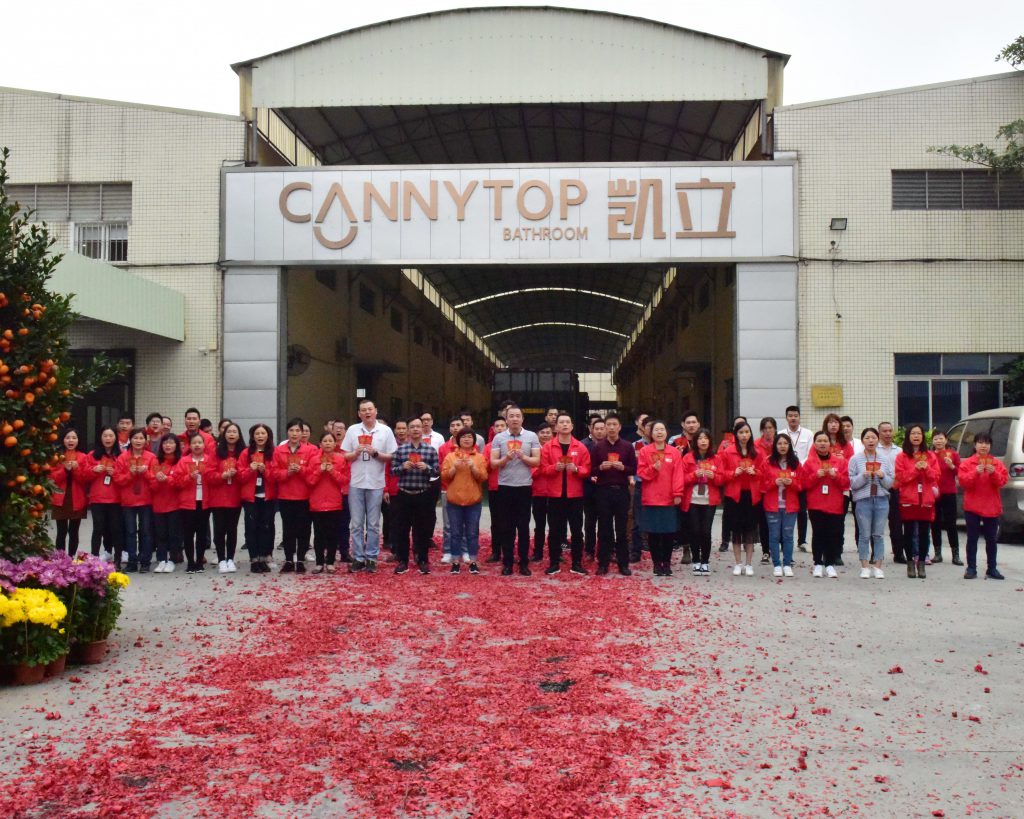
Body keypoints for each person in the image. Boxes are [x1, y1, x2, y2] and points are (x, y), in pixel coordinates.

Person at [341, 399, 398, 573]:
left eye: (370, 409)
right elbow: (344, 456)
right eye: (363, 410)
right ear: (359, 414)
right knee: (356, 523)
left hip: (376, 482)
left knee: (373, 523)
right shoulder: (352, 430)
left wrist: (375, 453)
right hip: (356, 482)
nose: (367, 412)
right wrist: (355, 452)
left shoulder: (385, 431)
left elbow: (392, 456)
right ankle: (358, 557)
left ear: (375, 411)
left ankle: (372, 557)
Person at [490, 405, 541, 576]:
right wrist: (506, 458)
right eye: (511, 416)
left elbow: (536, 461)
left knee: (523, 527)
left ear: (522, 419)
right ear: (506, 419)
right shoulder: (499, 438)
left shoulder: (531, 436)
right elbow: (493, 464)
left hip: (524, 487)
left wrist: (523, 456)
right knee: (507, 527)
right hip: (505, 487)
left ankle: (524, 562)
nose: (514, 419)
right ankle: (507, 563)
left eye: (517, 416)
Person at [540, 413, 592, 575]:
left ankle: (576, 563)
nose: (564, 425)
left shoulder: (580, 447)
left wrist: (576, 469)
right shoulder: (549, 447)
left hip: (575, 496)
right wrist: (554, 468)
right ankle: (554, 563)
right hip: (555, 495)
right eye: (561, 422)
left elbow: (587, 470)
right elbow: (543, 469)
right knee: (554, 530)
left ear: (572, 426)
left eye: (567, 422)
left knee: (577, 531)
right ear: (556, 427)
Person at [390, 417, 440, 575]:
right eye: (412, 427)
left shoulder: (430, 450)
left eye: (418, 426)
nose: (416, 429)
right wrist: (402, 467)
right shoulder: (401, 450)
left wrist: (427, 468)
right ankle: (403, 560)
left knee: (422, 529)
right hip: (404, 494)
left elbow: (437, 472)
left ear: (422, 429)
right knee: (402, 529)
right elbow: (393, 471)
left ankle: (423, 559)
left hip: (423, 493)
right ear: (408, 430)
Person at [957, 432, 1009, 580]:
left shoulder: (996, 464)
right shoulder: (968, 463)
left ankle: (992, 568)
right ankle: (971, 568)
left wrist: (994, 473)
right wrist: (975, 472)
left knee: (991, 539)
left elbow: (1002, 481)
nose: (983, 446)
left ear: (990, 446)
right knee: (972, 538)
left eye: (986, 443)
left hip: (991, 506)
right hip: (972, 507)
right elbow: (963, 482)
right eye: (980, 442)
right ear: (975, 445)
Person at [636, 420, 684, 576]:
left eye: (662, 429)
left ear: (666, 432)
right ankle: (657, 564)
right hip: (651, 498)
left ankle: (667, 563)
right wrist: (653, 468)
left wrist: (678, 493)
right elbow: (641, 474)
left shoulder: (674, 452)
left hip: (669, 498)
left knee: (669, 533)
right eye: (656, 430)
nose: (659, 432)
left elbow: (678, 475)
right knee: (654, 533)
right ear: (651, 433)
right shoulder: (645, 451)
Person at [799, 431, 850, 578]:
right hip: (816, 504)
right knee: (818, 533)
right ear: (814, 444)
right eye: (819, 441)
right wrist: (816, 476)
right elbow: (803, 484)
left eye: (825, 441)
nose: (822, 443)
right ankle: (817, 563)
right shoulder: (809, 462)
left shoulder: (840, 462)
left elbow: (847, 483)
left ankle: (829, 564)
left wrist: (836, 476)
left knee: (832, 534)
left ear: (830, 444)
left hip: (834, 503)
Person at [591, 413, 636, 576]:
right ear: (605, 427)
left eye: (614, 424)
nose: (611, 428)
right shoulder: (598, 447)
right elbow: (591, 470)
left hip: (621, 491)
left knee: (622, 529)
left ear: (619, 427)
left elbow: (634, 469)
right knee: (604, 529)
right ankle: (603, 563)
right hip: (603, 491)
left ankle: (623, 563)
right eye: (608, 425)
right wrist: (600, 468)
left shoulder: (627, 446)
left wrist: (623, 468)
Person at [894, 423, 940, 579]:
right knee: (908, 532)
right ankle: (910, 563)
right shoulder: (902, 456)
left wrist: (926, 468)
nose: (916, 436)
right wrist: (915, 469)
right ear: (908, 436)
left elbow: (936, 476)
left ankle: (921, 563)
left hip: (925, 498)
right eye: (913, 433)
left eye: (919, 433)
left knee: (924, 533)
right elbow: (900, 477)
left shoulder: (930, 456)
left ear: (923, 436)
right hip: (909, 498)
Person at [271, 417, 318, 573]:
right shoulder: (279, 450)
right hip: (286, 496)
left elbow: (314, 472)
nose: (295, 433)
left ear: (302, 433)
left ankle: (301, 560)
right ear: (287, 432)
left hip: (304, 496)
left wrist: (301, 470)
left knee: (304, 529)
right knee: (288, 529)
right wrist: (287, 473)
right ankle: (289, 559)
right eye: (291, 430)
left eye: (298, 430)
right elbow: (274, 473)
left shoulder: (311, 450)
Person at [848, 427, 893, 580]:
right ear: (862, 441)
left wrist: (882, 476)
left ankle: (878, 566)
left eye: (873, 437)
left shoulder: (884, 459)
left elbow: (890, 483)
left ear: (878, 440)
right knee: (864, 534)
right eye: (867, 438)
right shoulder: (855, 459)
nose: (870, 440)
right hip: (863, 500)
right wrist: (863, 476)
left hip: (881, 500)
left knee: (878, 534)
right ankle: (865, 566)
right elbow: (852, 483)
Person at [441, 428, 488, 574]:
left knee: (472, 533)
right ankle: (455, 562)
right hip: (454, 500)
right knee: (455, 533)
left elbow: (483, 477)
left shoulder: (479, 457)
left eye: (469, 437)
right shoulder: (450, 456)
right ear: (458, 440)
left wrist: (473, 467)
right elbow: (444, 477)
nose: (466, 439)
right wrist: (454, 468)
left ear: (474, 440)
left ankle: (473, 561)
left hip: (473, 501)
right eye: (463, 437)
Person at [721, 421, 765, 576]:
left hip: (752, 495)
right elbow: (722, 474)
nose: (744, 435)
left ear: (750, 434)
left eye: (747, 432)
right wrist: (734, 473)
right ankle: (738, 563)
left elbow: (764, 472)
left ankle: (749, 563)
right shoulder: (728, 451)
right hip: (734, 496)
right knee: (736, 530)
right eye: (741, 432)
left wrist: (755, 473)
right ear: (736, 435)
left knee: (750, 530)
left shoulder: (757, 452)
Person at [680, 428, 724, 576]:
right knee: (694, 531)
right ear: (695, 441)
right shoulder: (688, 457)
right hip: (692, 500)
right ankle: (696, 561)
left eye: (706, 438)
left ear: (710, 441)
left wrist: (714, 476)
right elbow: (682, 478)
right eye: (700, 438)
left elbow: (722, 479)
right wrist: (694, 475)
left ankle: (705, 561)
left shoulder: (716, 458)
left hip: (709, 500)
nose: (703, 441)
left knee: (705, 531)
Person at [305, 431, 349, 572]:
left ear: (335, 444)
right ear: (320, 444)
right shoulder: (314, 460)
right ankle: (319, 562)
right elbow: (309, 481)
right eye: (325, 441)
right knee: (318, 534)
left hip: (334, 503)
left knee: (332, 534)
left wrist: (333, 472)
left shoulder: (341, 459)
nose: (328, 443)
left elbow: (345, 480)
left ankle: (330, 562)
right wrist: (319, 470)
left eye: (330, 441)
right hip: (317, 503)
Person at [114, 428, 157, 572]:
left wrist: (146, 473)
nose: (138, 441)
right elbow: (118, 479)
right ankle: (132, 561)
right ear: (130, 440)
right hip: (128, 500)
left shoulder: (151, 457)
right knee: (130, 531)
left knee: (146, 531)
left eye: (141, 438)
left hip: (146, 500)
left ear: (146, 441)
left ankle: (145, 561)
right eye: (135, 438)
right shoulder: (122, 458)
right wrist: (130, 474)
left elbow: (155, 479)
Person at [760, 432, 801, 578]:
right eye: (779, 443)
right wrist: (774, 483)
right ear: (775, 446)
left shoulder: (795, 463)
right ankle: (777, 564)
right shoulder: (767, 462)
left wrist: (792, 483)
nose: (782, 446)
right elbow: (761, 485)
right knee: (774, 535)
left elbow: (802, 485)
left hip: (790, 506)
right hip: (773, 505)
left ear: (789, 446)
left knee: (788, 535)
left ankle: (787, 564)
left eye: (785, 443)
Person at [206, 422, 245, 573]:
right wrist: (222, 475)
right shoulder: (216, 452)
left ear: (239, 435)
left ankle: (230, 558)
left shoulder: (243, 453)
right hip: (218, 497)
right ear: (224, 434)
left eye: (235, 431)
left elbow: (246, 473)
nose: (231, 434)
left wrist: (238, 473)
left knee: (232, 529)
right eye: (229, 432)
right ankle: (221, 559)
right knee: (219, 529)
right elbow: (209, 474)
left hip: (235, 496)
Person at [238, 423, 276, 573]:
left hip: (268, 496)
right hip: (251, 498)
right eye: (257, 433)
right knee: (251, 527)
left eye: (263, 433)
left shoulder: (273, 453)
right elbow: (240, 476)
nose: (260, 436)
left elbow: (276, 476)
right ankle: (254, 559)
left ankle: (263, 557)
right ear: (252, 436)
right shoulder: (246, 453)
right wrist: (250, 469)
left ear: (268, 436)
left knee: (266, 527)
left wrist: (265, 470)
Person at [173, 432, 211, 574]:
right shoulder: (183, 461)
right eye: (194, 443)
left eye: (199, 442)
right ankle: (190, 562)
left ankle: (199, 561)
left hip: (205, 501)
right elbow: (176, 482)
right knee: (188, 533)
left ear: (204, 445)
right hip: (187, 502)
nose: (197, 445)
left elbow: (214, 478)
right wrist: (189, 477)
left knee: (202, 533)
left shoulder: (209, 460)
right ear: (189, 445)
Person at [85, 427, 123, 563]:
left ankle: (117, 559)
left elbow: (125, 475)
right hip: (98, 498)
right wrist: (93, 470)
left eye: (111, 436)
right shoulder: (92, 455)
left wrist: (115, 473)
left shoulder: (121, 455)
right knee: (98, 529)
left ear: (115, 438)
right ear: (100, 438)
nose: (108, 438)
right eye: (105, 436)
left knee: (116, 529)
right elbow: (84, 475)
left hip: (116, 498)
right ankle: (94, 559)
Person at [50, 428, 89, 556]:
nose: (70, 440)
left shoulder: (83, 457)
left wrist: (76, 469)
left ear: (78, 440)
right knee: (61, 531)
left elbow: (85, 479)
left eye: (74, 438)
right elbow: (52, 478)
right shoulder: (57, 456)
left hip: (77, 497)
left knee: (74, 531)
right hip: (60, 496)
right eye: (67, 438)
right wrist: (65, 470)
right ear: (63, 440)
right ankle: (60, 558)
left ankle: (71, 557)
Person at [150, 434, 184, 573]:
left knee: (174, 534)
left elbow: (181, 483)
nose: (167, 446)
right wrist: (158, 481)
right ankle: (162, 559)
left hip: (175, 504)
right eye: (165, 443)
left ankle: (172, 559)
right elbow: (151, 484)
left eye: (171, 443)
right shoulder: (156, 462)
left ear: (176, 445)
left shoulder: (180, 462)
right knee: (161, 534)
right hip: (159, 504)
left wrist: (167, 479)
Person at [782, 406, 813, 552]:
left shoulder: (808, 434)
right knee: (783, 509)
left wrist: (798, 465)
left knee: (802, 510)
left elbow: (810, 454)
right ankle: (783, 540)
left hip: (802, 475)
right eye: (790, 415)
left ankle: (802, 541)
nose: (793, 418)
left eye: (795, 415)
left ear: (799, 417)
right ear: (786, 417)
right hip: (785, 475)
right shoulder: (781, 434)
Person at [930, 430, 961, 565]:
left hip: (949, 492)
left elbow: (960, 472)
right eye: (936, 439)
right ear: (932, 441)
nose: (938, 441)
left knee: (951, 523)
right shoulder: (929, 455)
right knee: (935, 523)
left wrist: (951, 465)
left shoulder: (953, 454)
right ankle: (937, 553)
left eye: (941, 438)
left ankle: (955, 555)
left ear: (946, 440)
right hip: (934, 493)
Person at [876, 422, 905, 563]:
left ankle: (898, 553)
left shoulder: (899, 451)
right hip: (878, 488)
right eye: (884, 431)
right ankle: (875, 554)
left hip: (895, 489)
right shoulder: (874, 450)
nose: (888, 433)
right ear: (879, 433)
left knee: (896, 523)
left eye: (890, 430)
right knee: (876, 523)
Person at [437, 417, 463, 563]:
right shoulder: (443, 448)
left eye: (458, 425)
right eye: (452, 425)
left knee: (464, 523)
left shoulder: (470, 446)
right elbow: (440, 468)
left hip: (466, 489)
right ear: (449, 429)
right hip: (447, 488)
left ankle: (464, 550)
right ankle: (447, 550)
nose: (455, 428)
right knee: (448, 524)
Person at [482, 417, 506, 562]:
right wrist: (496, 461)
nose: (500, 428)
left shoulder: (514, 445)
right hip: (495, 487)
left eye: (503, 425)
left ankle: (509, 550)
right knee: (496, 521)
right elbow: (485, 467)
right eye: (497, 426)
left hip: (511, 487)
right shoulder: (488, 447)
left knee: (510, 521)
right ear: (493, 429)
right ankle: (496, 551)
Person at [581, 416, 605, 560]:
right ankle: (589, 549)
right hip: (589, 488)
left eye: (602, 429)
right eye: (597, 429)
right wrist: (590, 477)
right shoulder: (583, 445)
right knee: (590, 521)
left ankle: (605, 550)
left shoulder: (611, 445)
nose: (600, 431)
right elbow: (580, 466)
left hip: (606, 488)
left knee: (605, 522)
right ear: (591, 429)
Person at [628, 414, 652, 561]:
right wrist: (631, 478)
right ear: (642, 428)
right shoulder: (635, 445)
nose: (651, 430)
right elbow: (630, 465)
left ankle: (656, 549)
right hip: (640, 484)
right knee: (637, 518)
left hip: (658, 486)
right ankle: (635, 550)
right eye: (648, 427)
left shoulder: (664, 447)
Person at [755, 417, 778, 564]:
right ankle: (765, 551)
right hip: (762, 488)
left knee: (779, 520)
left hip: (777, 487)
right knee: (763, 521)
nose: (768, 431)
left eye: (770, 428)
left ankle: (778, 549)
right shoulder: (756, 445)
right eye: (765, 428)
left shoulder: (780, 443)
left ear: (775, 429)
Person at [530, 425, 554, 562]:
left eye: (548, 432)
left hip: (554, 493)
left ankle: (556, 552)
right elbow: (531, 473)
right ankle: (538, 552)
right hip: (538, 493)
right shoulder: (533, 450)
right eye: (542, 432)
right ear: (537, 434)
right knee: (539, 525)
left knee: (555, 525)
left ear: (553, 434)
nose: (545, 435)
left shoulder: (556, 449)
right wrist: (542, 465)